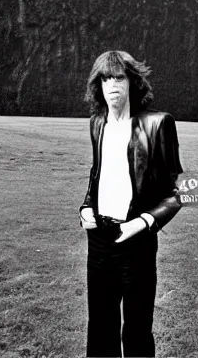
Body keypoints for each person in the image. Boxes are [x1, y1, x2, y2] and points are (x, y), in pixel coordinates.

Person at [79, 50, 183, 358]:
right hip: (99, 242)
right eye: (105, 78)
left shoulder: (157, 124)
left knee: (136, 330)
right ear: (97, 85)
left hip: (136, 242)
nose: (112, 85)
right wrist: (86, 207)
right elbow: (97, 173)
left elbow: (178, 190)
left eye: (119, 77)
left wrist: (143, 222)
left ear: (132, 82)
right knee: (99, 327)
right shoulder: (97, 124)